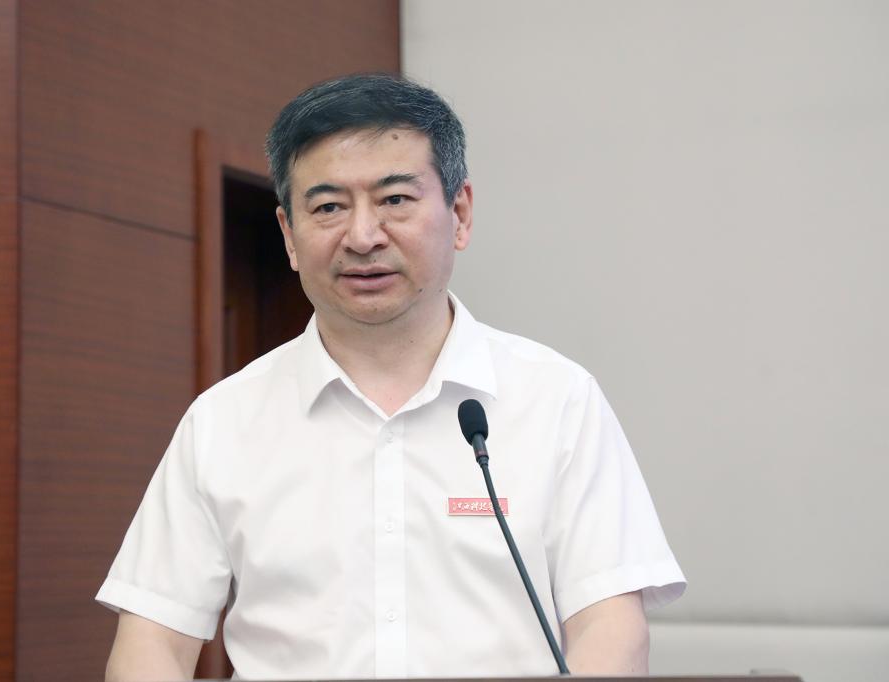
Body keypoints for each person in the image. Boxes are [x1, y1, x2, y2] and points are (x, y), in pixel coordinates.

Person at [98, 73, 685, 681]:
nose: (362, 237)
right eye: (328, 207)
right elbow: (153, 643)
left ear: (459, 213)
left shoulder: (557, 400)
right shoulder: (224, 420)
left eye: (395, 200)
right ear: (289, 236)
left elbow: (609, 628)